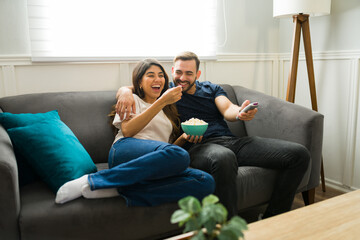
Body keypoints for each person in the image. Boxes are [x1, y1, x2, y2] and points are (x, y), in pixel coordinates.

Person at [116, 51, 310, 218]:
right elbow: (139, 85)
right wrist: (124, 91)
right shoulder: (167, 92)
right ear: (172, 71)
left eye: (189, 73)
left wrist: (240, 113)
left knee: (298, 154)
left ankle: (273, 217)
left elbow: (227, 109)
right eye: (179, 72)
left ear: (198, 74)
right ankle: (227, 227)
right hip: (197, 146)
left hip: (230, 141)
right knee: (224, 158)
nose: (182, 78)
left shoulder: (211, 89)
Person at [55, 58, 215, 206]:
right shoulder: (131, 100)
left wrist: (183, 137)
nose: (157, 79)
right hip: (124, 149)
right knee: (181, 155)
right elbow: (128, 130)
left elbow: (166, 151)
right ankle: (94, 180)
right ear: (139, 82)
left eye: (161, 75)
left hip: (150, 161)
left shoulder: (168, 110)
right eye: (150, 75)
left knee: (205, 181)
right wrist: (160, 102)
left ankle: (120, 189)